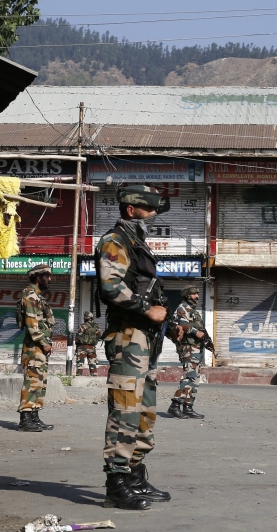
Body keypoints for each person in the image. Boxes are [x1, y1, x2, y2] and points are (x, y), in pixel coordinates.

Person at [95, 185, 182, 510]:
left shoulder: (136, 242)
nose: (154, 213)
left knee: (144, 412)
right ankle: (116, 484)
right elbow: (110, 286)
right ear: (131, 210)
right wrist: (147, 310)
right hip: (127, 337)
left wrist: (166, 320)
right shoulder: (114, 240)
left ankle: (134, 476)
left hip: (145, 339)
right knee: (125, 410)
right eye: (149, 208)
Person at [16, 264, 55, 432]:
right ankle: (25, 419)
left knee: (39, 382)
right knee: (32, 382)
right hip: (34, 347)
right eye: (47, 276)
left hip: (39, 347)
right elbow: (32, 324)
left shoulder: (36, 296)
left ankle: (34, 417)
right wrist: (44, 343)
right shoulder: (30, 295)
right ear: (38, 277)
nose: (50, 279)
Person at [168, 286, 207, 420]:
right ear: (187, 295)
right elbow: (183, 325)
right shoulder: (182, 308)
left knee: (195, 379)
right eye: (194, 294)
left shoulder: (193, 310)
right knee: (189, 376)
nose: (197, 296)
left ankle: (188, 406)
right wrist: (197, 333)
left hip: (196, 347)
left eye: (197, 294)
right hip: (189, 347)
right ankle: (175, 405)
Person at [76, 311, 102, 376]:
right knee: (93, 364)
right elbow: (99, 336)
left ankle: (79, 377)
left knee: (80, 363)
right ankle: (94, 377)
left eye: (84, 316)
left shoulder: (83, 326)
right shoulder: (96, 326)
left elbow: (77, 337)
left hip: (82, 347)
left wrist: (78, 343)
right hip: (92, 348)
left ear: (86, 317)